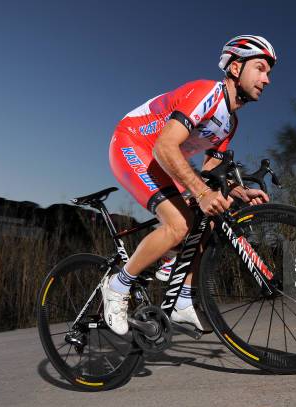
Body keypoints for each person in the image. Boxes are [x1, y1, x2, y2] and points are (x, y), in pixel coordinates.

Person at [103, 35, 276, 335]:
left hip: (161, 157)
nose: (267, 79)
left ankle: (182, 297)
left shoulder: (231, 123)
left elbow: (210, 170)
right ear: (235, 68)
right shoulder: (207, 93)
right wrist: (201, 192)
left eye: (269, 73)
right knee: (180, 223)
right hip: (132, 143)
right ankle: (118, 286)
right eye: (260, 68)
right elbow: (165, 147)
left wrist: (237, 191)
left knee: (211, 217)